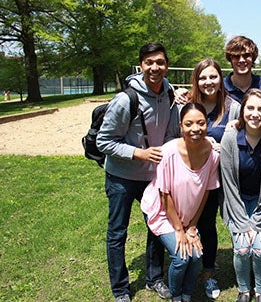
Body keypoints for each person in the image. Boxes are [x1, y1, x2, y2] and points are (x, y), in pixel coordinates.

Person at [97, 42, 180, 302]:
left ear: (166, 65)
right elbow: (104, 142)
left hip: (152, 178)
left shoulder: (170, 96)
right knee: (117, 233)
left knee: (156, 228)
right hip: (122, 177)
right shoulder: (126, 99)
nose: (155, 67)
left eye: (160, 62)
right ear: (141, 65)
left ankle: (154, 278)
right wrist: (139, 153)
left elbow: (171, 134)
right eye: (149, 62)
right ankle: (120, 289)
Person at [141, 103, 220, 302]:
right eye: (189, 124)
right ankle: (176, 297)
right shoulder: (168, 152)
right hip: (162, 212)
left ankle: (186, 294)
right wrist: (179, 230)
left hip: (187, 216)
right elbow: (164, 195)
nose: (195, 129)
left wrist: (192, 226)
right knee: (181, 257)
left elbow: (205, 194)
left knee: (196, 257)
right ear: (181, 126)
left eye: (201, 123)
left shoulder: (213, 155)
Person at [220, 89, 261, 302]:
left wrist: (256, 222)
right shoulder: (230, 137)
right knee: (241, 248)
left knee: (259, 248)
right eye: (250, 108)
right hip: (236, 203)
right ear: (242, 110)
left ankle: (260, 291)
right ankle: (243, 290)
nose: (255, 114)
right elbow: (228, 184)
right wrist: (241, 222)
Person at [187, 58, 240, 299]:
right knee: (202, 224)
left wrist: (222, 145)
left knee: (232, 221)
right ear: (196, 81)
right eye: (203, 77)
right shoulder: (187, 105)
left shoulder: (234, 107)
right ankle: (198, 271)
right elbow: (178, 136)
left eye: (213, 76)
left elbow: (245, 140)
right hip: (197, 178)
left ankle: (242, 269)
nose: (208, 82)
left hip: (227, 177)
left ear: (221, 78)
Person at [222, 35, 261, 103]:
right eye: (236, 56)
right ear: (230, 59)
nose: (242, 60)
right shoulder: (221, 87)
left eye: (246, 55)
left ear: (253, 58)